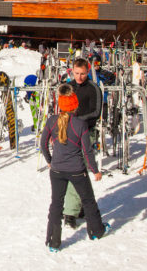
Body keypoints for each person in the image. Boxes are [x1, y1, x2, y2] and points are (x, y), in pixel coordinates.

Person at [40, 85, 108, 251]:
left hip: (56, 170)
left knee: (56, 204)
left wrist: (50, 160)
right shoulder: (80, 124)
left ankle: (53, 242)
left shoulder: (51, 121)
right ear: (75, 105)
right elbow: (87, 151)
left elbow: (42, 144)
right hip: (77, 170)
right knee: (88, 200)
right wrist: (95, 170)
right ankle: (96, 231)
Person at [62, 57, 103, 228]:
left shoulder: (93, 88)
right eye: (77, 73)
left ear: (88, 72)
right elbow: (62, 108)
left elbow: (96, 111)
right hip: (70, 134)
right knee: (74, 171)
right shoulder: (68, 86)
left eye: (83, 74)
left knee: (81, 171)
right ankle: (72, 209)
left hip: (87, 133)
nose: (79, 77)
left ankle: (74, 208)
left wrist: (78, 120)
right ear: (72, 71)